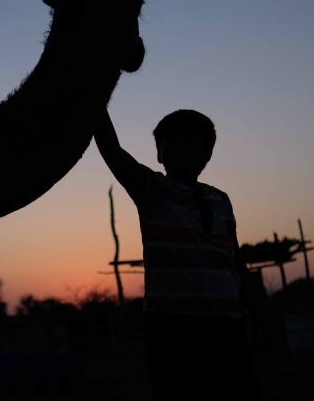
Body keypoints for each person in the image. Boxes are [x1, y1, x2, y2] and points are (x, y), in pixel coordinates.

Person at [93, 109, 261, 400]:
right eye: (169, 138)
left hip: (226, 326)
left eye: (190, 137)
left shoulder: (221, 200)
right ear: (158, 154)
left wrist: (264, 319)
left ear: (207, 153)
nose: (179, 143)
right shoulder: (152, 189)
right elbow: (111, 149)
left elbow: (235, 264)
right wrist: (92, 98)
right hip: (171, 327)